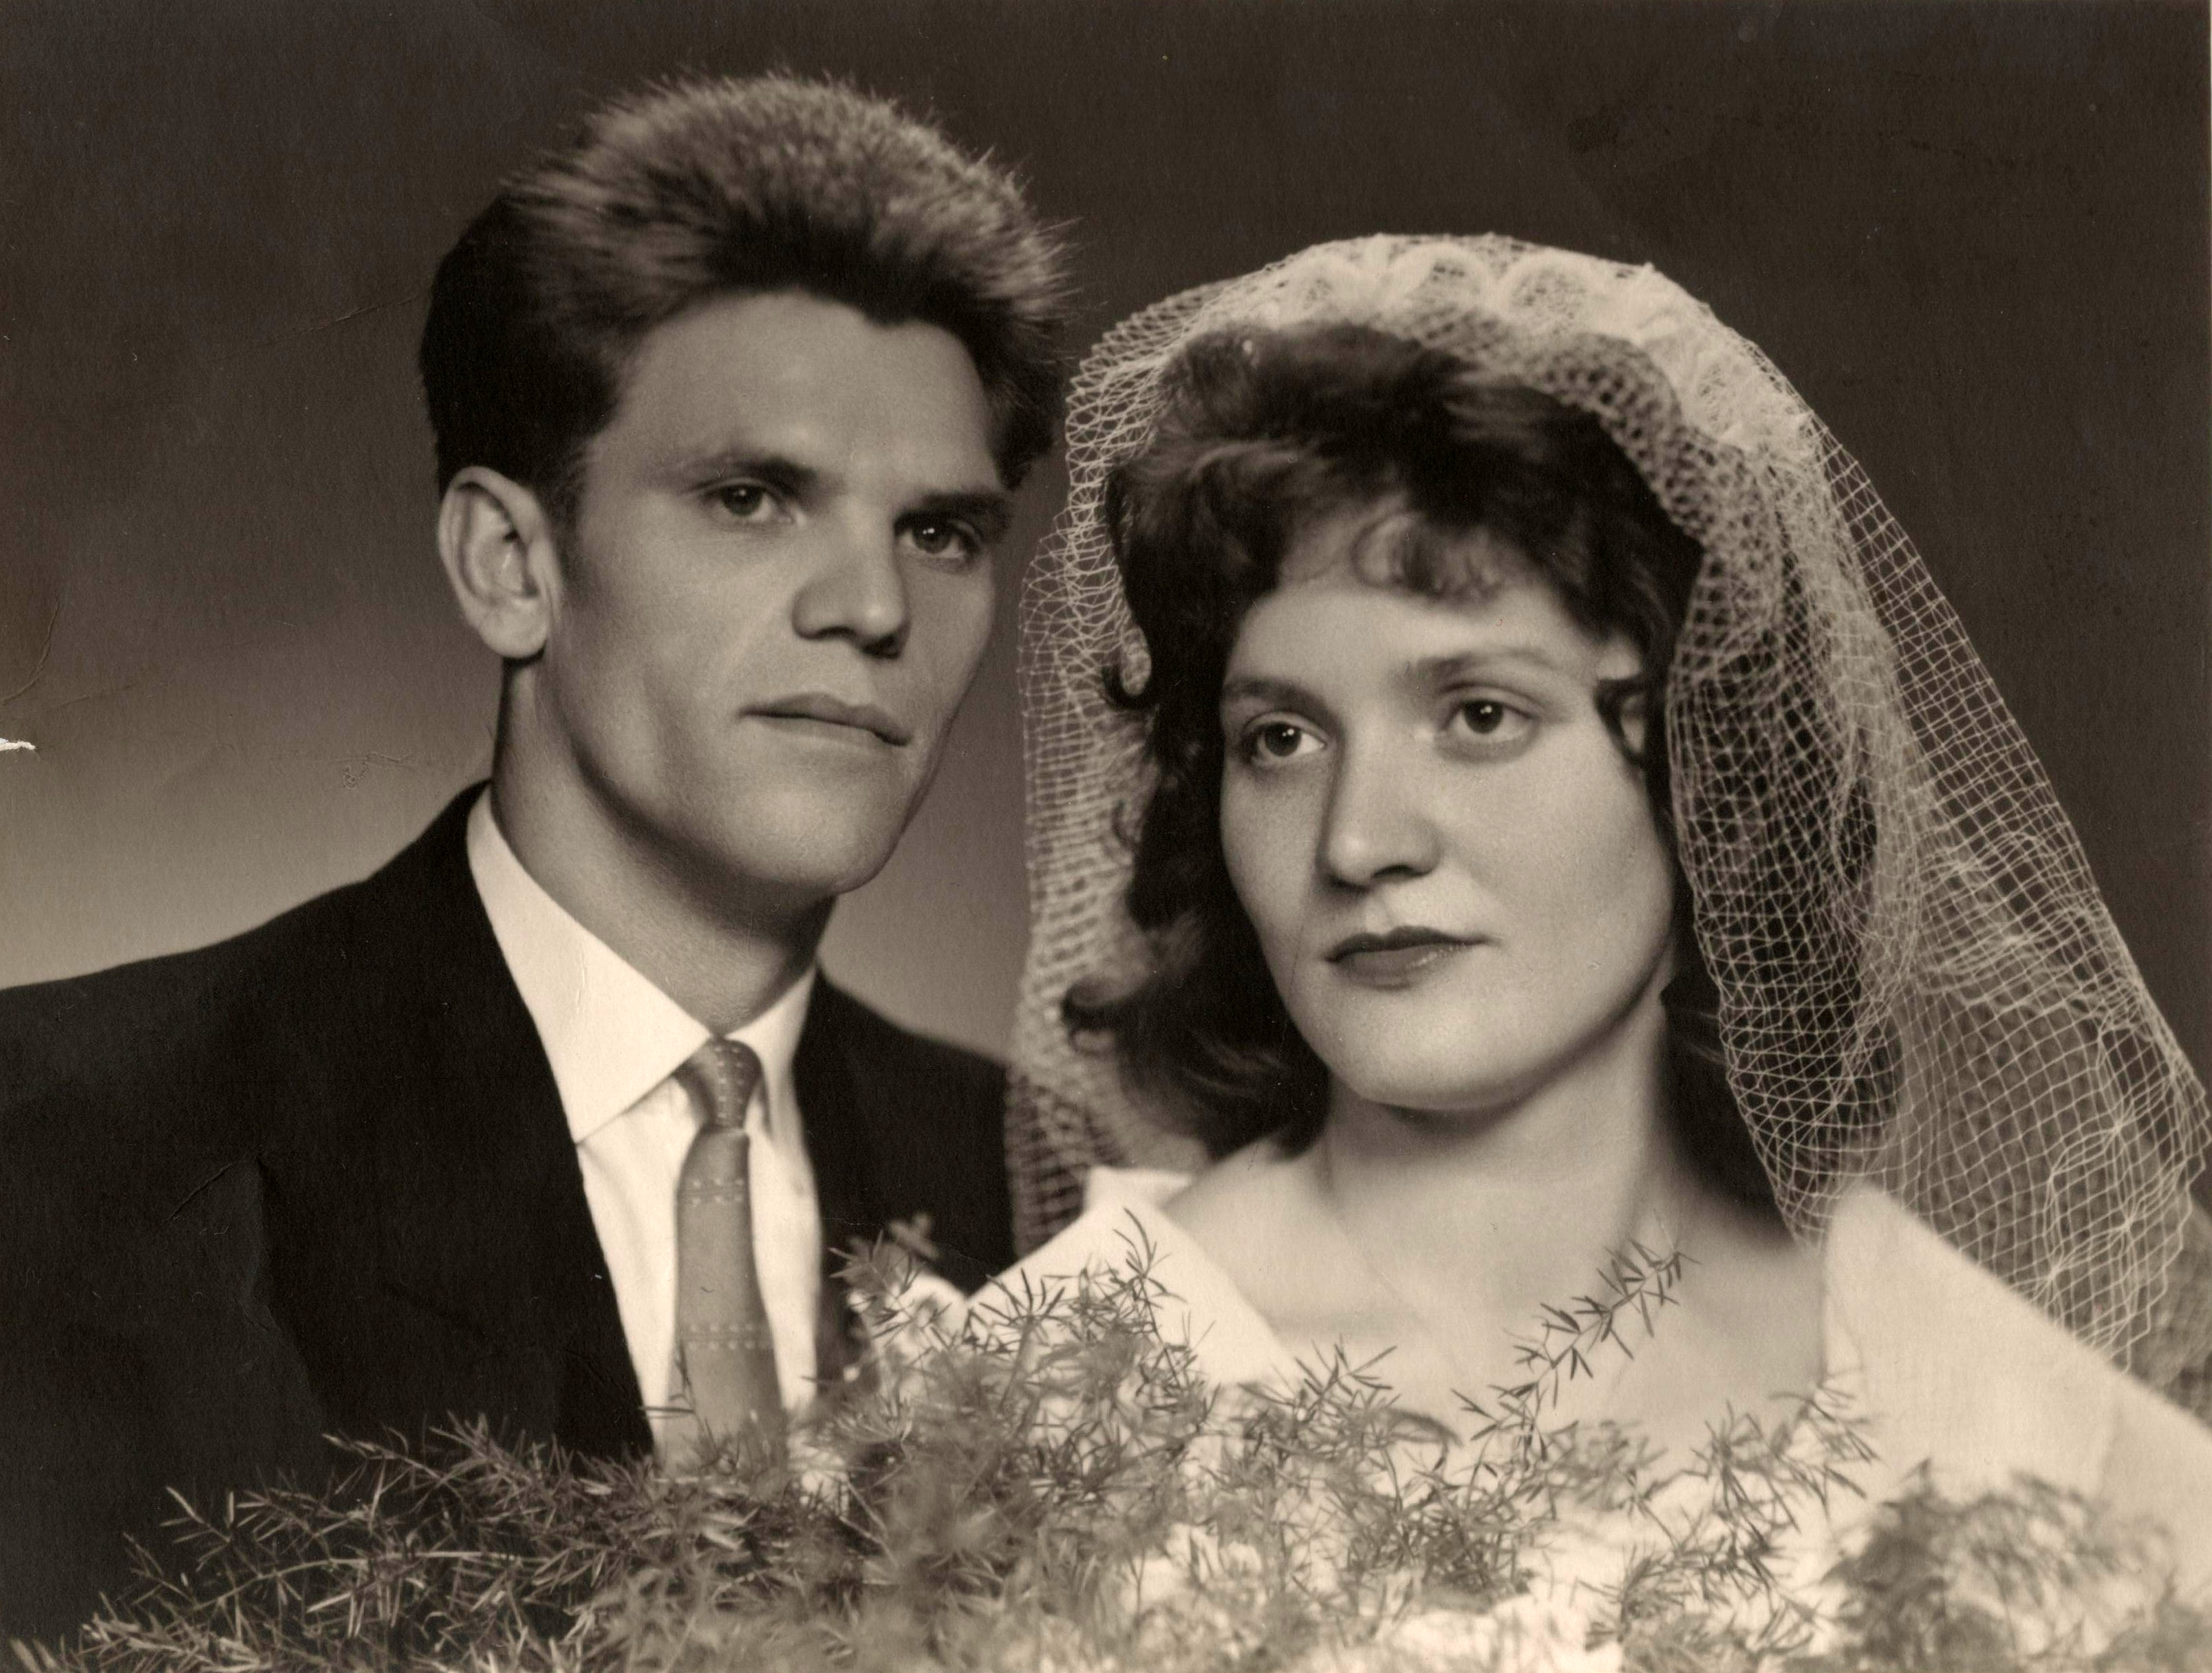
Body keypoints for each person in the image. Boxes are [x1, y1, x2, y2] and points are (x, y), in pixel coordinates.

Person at [0, 73, 1066, 1639]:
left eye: (941, 532)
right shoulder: (62, 1147)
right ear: (510, 563)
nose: (874, 609)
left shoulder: (1047, 1190)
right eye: (753, 498)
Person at [999, 236, 2212, 1595]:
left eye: (1479, 716)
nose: (1359, 841)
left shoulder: (1977, 1390)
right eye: (1280, 738)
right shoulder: (1042, 1407)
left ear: (1710, 767)